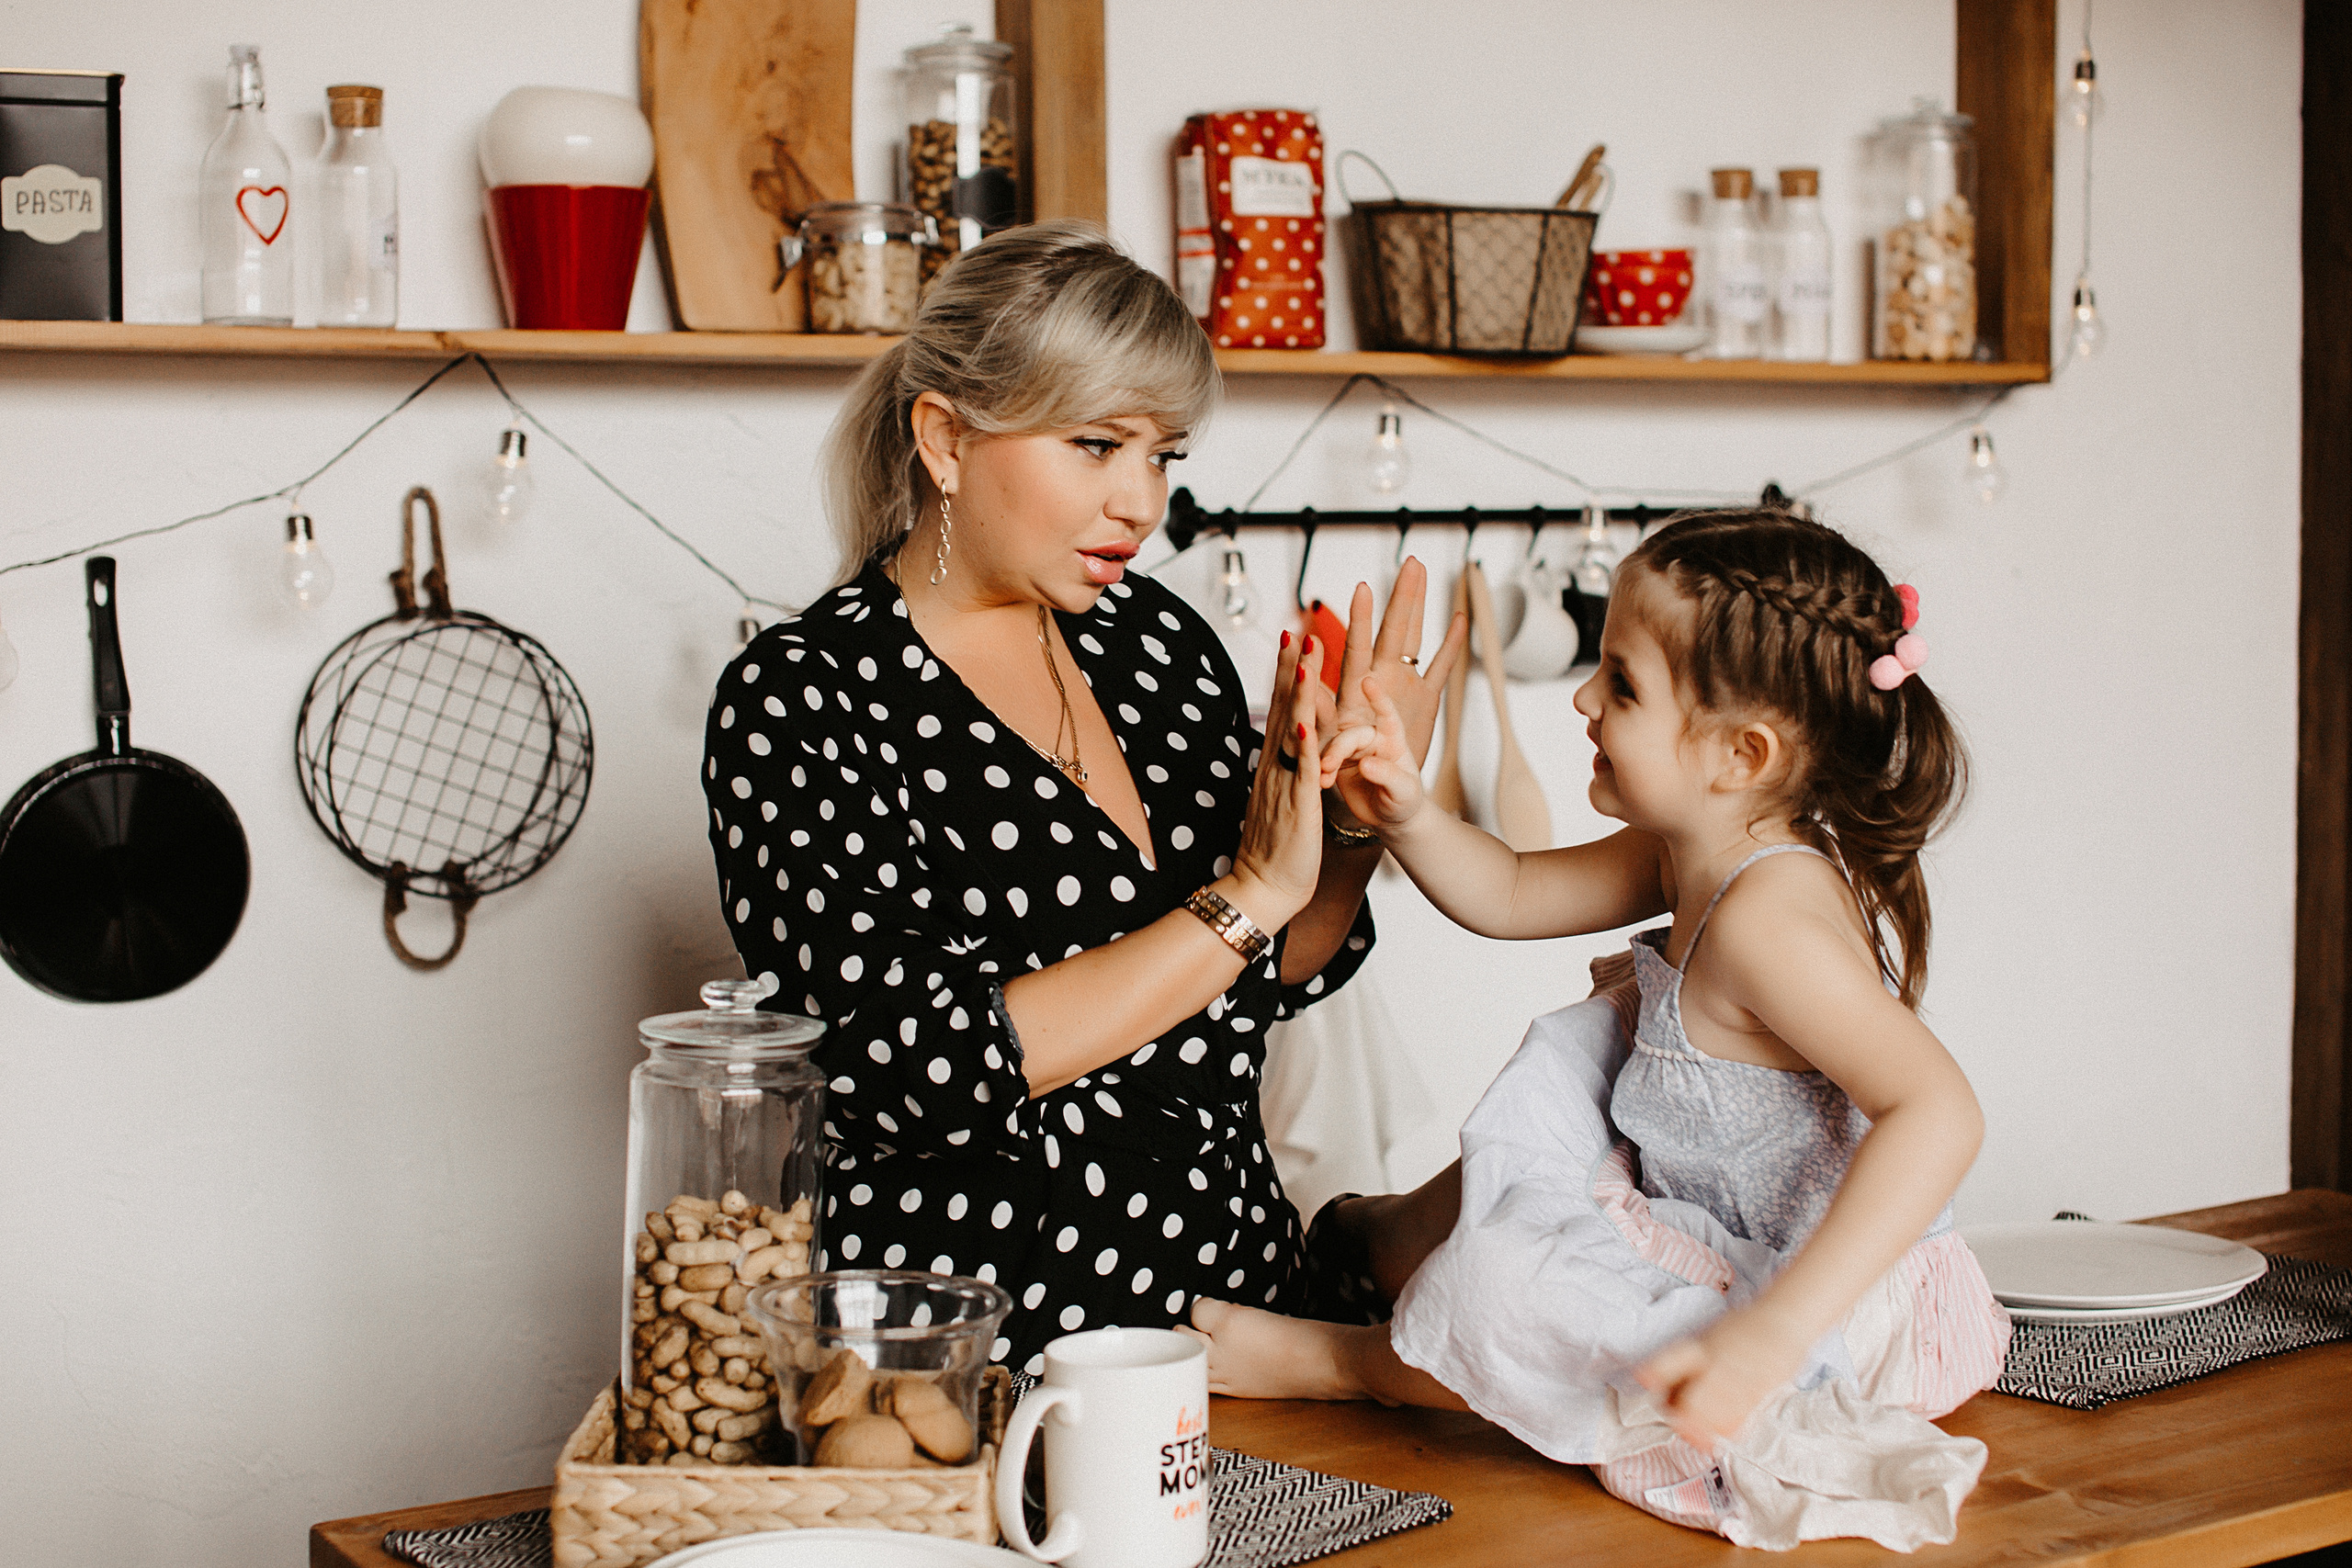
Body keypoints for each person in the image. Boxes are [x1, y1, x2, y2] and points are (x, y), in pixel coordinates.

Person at [702, 221, 1465, 1374]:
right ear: (945, 440)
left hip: (1237, 1316)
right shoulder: (804, 696)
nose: (1139, 501)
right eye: (1097, 444)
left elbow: (1269, 976)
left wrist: (1352, 821)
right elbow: (915, 1066)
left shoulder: (1155, 641)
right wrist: (1244, 897)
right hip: (974, 1350)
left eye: (1164, 456)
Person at [1190, 509, 2010, 1547]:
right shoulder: (1687, 848)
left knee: (1503, 1286)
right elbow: (1511, 892)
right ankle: (1386, 1249)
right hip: (1708, 1233)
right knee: (1558, 1107)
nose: (1581, 697)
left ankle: (1354, 1368)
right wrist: (1404, 812)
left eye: (1619, 684)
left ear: (1738, 752)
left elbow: (1937, 1112)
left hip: (1836, 1311)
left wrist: (1769, 1337)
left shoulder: (1770, 914)